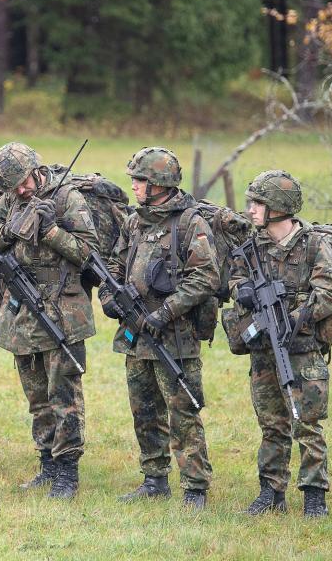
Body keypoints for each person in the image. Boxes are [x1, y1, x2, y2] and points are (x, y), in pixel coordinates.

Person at [0, 143, 99, 499]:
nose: (20, 190)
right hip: (21, 312)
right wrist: (13, 229)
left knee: (64, 396)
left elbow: (89, 253)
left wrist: (50, 231)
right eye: (12, 187)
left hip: (62, 313)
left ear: (36, 169)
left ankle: (67, 472)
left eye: (23, 182)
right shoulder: (11, 199)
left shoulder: (67, 198)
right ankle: (47, 463)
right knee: (36, 397)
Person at [101, 147, 219, 510]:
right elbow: (114, 265)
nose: (134, 186)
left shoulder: (189, 223)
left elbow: (206, 277)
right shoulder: (134, 221)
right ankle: (154, 479)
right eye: (134, 180)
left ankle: (195, 487)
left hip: (175, 338)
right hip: (136, 336)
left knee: (183, 412)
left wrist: (165, 313)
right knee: (144, 409)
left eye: (140, 180)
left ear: (159, 184)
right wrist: (110, 296)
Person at [230, 170, 332, 518]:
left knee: (305, 423)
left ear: (278, 207)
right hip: (264, 350)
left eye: (258, 203)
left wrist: (296, 317)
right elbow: (234, 278)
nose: (251, 209)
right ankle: (271, 492)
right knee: (271, 424)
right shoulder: (253, 246)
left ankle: (314, 496)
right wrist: (242, 291)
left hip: (303, 351)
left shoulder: (312, 245)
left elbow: (331, 292)